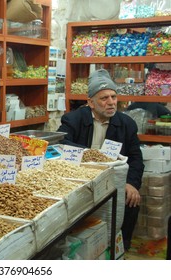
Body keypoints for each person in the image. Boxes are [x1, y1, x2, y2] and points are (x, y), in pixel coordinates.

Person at [57, 69, 144, 251]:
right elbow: (62, 142)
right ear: (91, 102)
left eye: (113, 97)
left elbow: (136, 158)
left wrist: (131, 183)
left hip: (113, 179)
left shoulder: (126, 124)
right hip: (81, 176)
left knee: (131, 199)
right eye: (104, 98)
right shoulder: (73, 119)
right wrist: (91, 156)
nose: (111, 102)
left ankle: (119, 248)